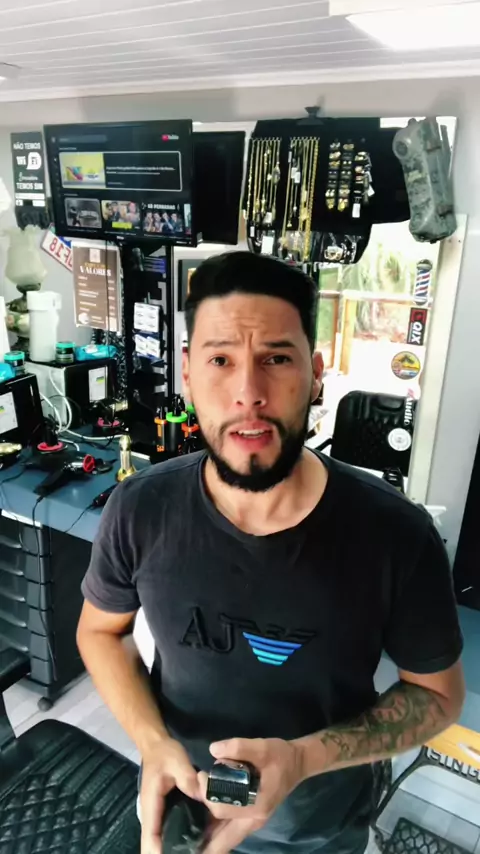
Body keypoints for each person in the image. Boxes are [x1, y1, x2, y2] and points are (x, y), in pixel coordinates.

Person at [77, 252, 465, 854]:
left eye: (276, 359)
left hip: (318, 829)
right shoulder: (139, 508)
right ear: (188, 373)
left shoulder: (397, 534)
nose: (248, 394)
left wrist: (302, 758)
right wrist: (153, 744)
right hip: (182, 811)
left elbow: (438, 694)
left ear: (316, 373)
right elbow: (100, 632)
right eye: (221, 360)